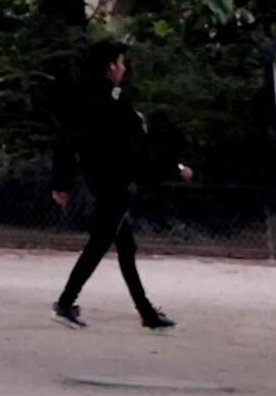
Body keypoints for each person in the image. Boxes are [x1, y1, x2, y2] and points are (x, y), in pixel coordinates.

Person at [54, 39, 186, 332]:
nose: (124, 67)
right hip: (112, 183)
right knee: (101, 243)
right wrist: (175, 168)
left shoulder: (92, 97)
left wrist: (61, 182)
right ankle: (66, 303)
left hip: (103, 180)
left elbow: (66, 141)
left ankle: (145, 312)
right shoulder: (110, 101)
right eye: (122, 62)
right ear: (111, 66)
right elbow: (139, 145)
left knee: (124, 246)